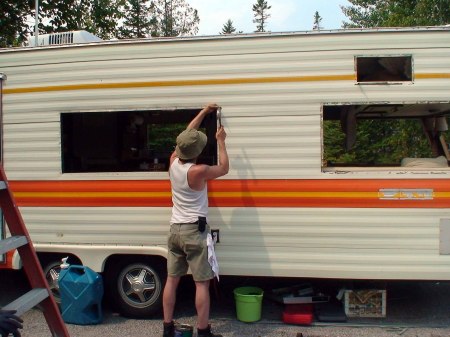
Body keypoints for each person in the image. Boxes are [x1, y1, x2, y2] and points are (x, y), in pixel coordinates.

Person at [162, 103, 229, 337]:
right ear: (197, 152)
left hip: (175, 230)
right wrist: (221, 140)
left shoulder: (172, 162)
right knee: (201, 283)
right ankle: (203, 331)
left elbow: (185, 138)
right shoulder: (198, 171)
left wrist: (202, 112)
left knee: (172, 280)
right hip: (194, 231)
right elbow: (224, 169)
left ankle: (167, 328)